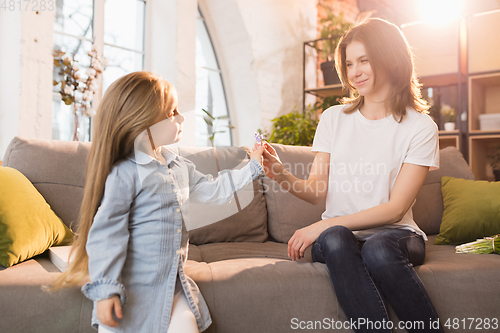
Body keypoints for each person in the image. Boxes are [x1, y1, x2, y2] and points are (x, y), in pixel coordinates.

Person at [259, 18, 443, 332]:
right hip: (338, 240)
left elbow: (396, 209)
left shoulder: (420, 127)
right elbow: (317, 191)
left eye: (364, 60)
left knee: (376, 248)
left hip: (397, 236)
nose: (354, 71)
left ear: (391, 58)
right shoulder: (333, 119)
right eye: (349, 63)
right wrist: (280, 174)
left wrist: (322, 223)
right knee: (335, 238)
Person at [51, 71, 265, 333]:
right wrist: (105, 290)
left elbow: (212, 190)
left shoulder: (178, 165)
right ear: (141, 121)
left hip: (171, 289)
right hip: (129, 294)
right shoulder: (126, 174)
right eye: (171, 113)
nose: (181, 117)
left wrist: (252, 165)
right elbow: (107, 234)